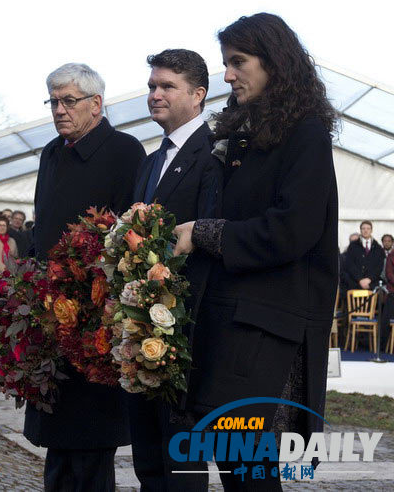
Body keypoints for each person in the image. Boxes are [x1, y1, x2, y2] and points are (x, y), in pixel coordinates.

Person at [173, 13, 338, 490]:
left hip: (269, 332)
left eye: (237, 62)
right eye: (226, 63)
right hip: (235, 327)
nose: (227, 75)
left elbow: (292, 230)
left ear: (276, 63)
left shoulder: (305, 133)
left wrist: (205, 234)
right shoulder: (245, 132)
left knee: (248, 472)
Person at [27, 62, 145, 490]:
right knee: (57, 438)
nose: (59, 109)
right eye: (53, 101)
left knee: (91, 441)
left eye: (69, 101)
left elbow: (133, 235)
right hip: (49, 310)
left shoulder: (126, 152)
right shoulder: (51, 152)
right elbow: (42, 226)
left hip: (95, 317)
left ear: (96, 104)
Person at [128, 48, 220, 491]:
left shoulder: (214, 157)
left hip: (185, 334)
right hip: (142, 330)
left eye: (167, 86)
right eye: (151, 86)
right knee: (147, 461)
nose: (155, 94)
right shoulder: (150, 160)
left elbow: (208, 245)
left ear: (198, 95)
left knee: (181, 466)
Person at [342, 220, 385, 291]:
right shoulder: (353, 246)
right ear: (360, 230)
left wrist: (369, 279)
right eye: (363, 228)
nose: (366, 230)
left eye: (368, 228)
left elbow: (379, 266)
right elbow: (349, 264)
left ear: (371, 230)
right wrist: (359, 279)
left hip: (372, 284)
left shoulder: (378, 248)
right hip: (355, 283)